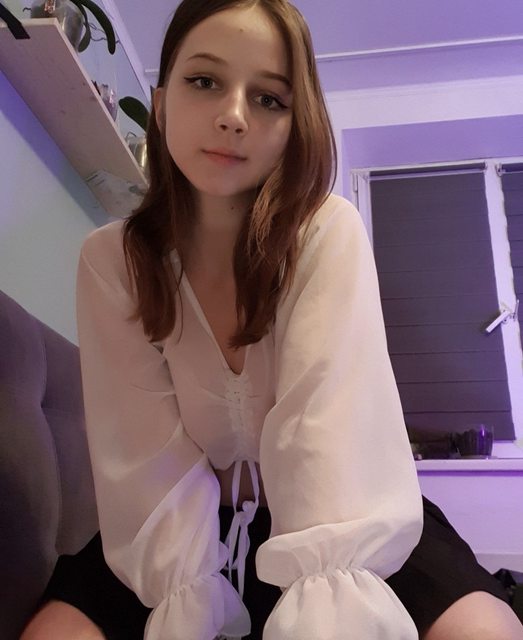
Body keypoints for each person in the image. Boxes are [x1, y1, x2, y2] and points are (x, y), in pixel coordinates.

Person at [21, 1, 523, 639]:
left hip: (340, 518)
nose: (233, 115)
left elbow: (327, 448)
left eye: (268, 98)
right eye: (205, 80)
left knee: (486, 630)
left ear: (294, 124)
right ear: (161, 102)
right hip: (168, 527)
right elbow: (144, 459)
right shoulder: (112, 263)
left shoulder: (326, 232)